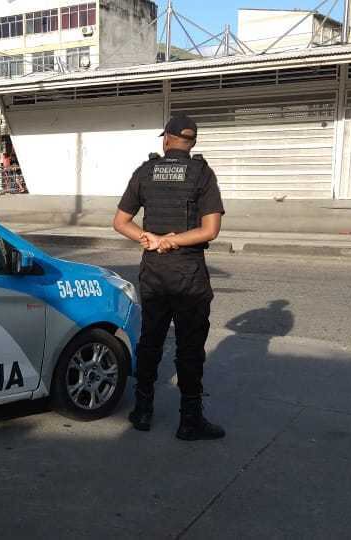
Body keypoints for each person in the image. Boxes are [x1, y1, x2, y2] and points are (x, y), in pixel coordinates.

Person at [112, 114, 226, 441]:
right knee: (189, 347)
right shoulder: (202, 174)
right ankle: (190, 420)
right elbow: (210, 230)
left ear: (166, 139)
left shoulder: (145, 172)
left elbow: (121, 222)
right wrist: (172, 240)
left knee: (151, 340)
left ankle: (143, 411)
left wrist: (149, 238)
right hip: (188, 272)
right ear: (193, 142)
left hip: (154, 271)